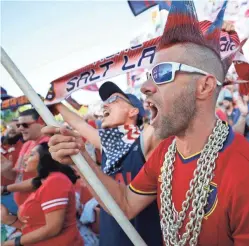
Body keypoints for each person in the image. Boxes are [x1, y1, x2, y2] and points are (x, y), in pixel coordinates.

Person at [44, 1, 249, 245]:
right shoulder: (165, 154)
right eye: (149, 76)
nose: (145, 88)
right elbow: (126, 204)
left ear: (204, 86)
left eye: (162, 73)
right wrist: (81, 158)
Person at [45, 82, 163, 246]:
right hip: (110, 235)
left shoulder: (146, 138)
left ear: (133, 111)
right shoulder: (109, 143)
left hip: (142, 237)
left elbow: (163, 116)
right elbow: (79, 124)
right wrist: (55, 103)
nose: (105, 104)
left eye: (114, 99)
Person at [2, 142, 83, 246]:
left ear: (45, 159)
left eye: (31, 155)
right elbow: (33, 182)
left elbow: (52, 229)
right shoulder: (47, 180)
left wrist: (13, 243)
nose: (25, 157)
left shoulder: (55, 181)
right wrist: (8, 219)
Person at [1, 109, 49, 208]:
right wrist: (7, 170)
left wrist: (5, 188)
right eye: (19, 125)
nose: (20, 129)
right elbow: (18, 176)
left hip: (41, 206)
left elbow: (41, 180)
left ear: (41, 122)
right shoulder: (28, 143)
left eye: (25, 125)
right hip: (24, 206)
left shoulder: (48, 144)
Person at [1, 119, 23, 215]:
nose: (12, 130)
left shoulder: (24, 146)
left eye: (17, 127)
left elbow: (17, 175)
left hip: (15, 194)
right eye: (10, 127)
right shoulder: (2, 146)